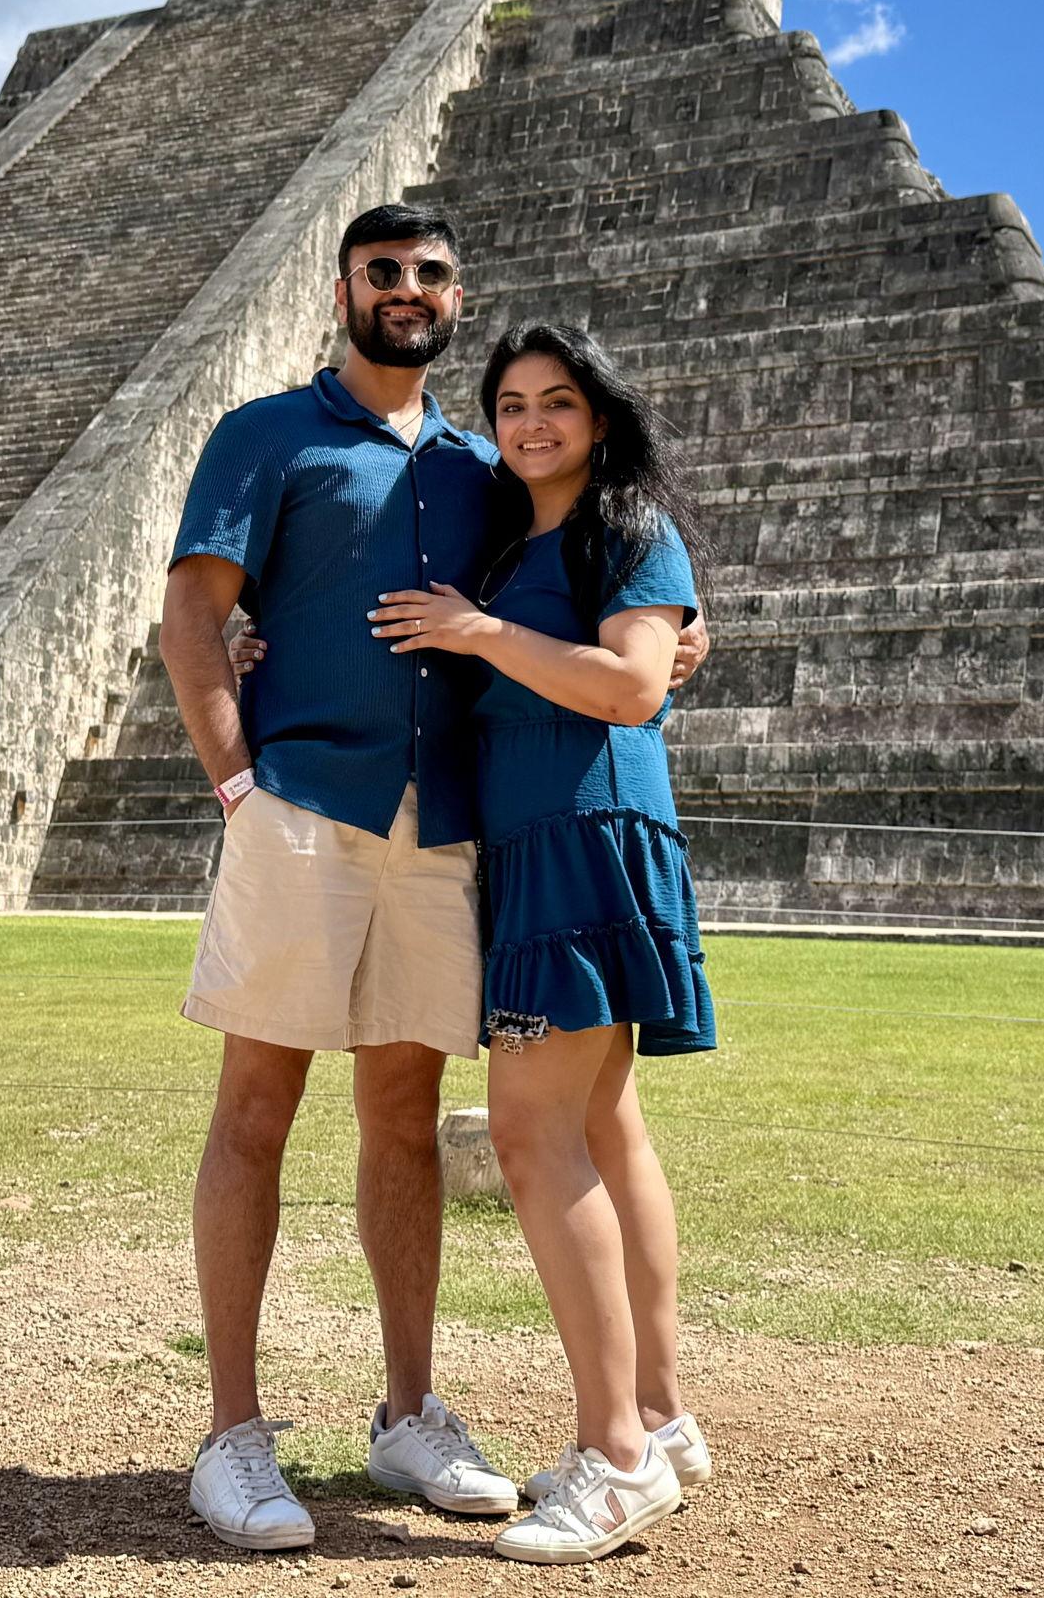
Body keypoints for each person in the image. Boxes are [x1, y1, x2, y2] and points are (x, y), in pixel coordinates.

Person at [160, 206, 707, 1552]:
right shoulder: (266, 434)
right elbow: (194, 615)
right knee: (255, 1108)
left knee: (403, 1117)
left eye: (431, 274)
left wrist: (679, 636)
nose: (407, 290)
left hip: (449, 823)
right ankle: (232, 1432)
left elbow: (599, 586)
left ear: (457, 296)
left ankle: (407, 1411)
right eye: (382, 272)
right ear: (343, 288)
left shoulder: (485, 466)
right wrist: (234, 783)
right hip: (302, 802)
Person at [362, 319, 716, 1566]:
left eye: (555, 400)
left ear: (599, 416)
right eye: (509, 403)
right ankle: (659, 1418)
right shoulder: (515, 544)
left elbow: (631, 686)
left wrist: (481, 633)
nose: (528, 423)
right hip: (531, 844)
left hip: (582, 836)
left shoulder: (627, 529)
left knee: (528, 1133)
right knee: (604, 1124)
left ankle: (615, 1456)